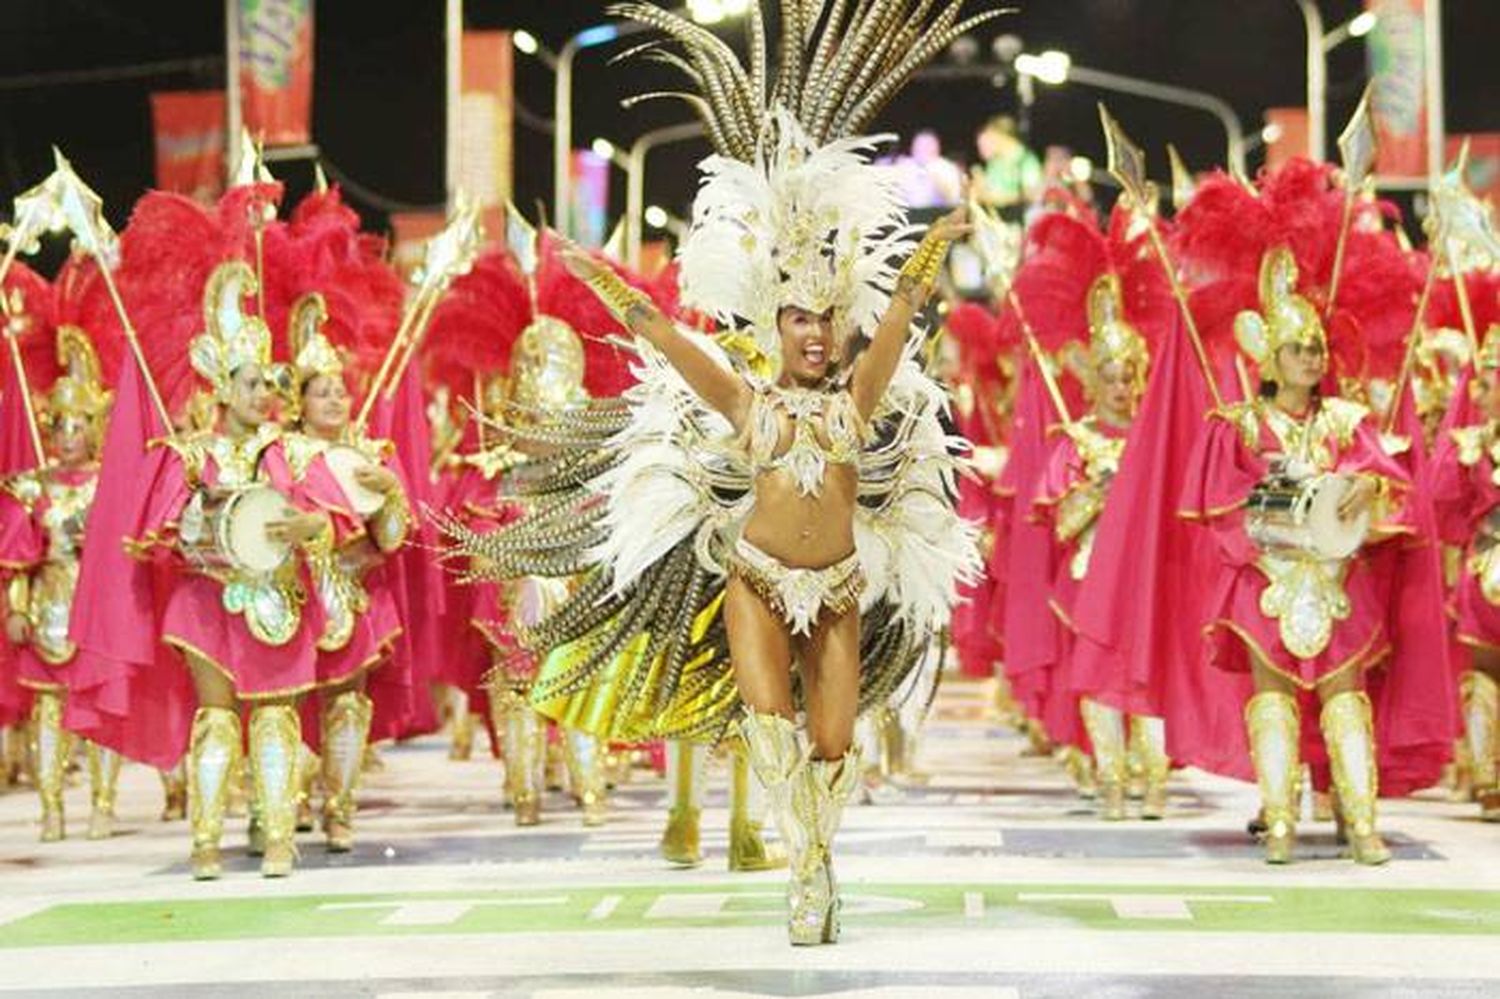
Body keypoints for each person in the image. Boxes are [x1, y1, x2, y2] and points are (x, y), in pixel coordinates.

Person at [440, 0, 991, 946]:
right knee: (771, 728)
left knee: (832, 742)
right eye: (798, 322)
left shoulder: (857, 401)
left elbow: (899, 319)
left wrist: (934, 251)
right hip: (757, 580)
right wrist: (608, 288)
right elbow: (672, 343)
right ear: (776, 325)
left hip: (842, 584)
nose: (815, 334)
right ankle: (805, 873)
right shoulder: (750, 403)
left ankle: (818, 853)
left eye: (826, 320)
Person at [1180, 247, 1412, 865]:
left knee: (1344, 697)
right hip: (1269, 578)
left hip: (1337, 579)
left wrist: (1368, 484)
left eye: (1317, 348)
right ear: (1270, 358)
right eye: (1298, 348)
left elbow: (1381, 472)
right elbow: (1217, 501)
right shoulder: (1242, 424)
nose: (1312, 358)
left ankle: (1363, 822)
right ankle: (1279, 821)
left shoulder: (1344, 419)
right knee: (1274, 700)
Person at [0, 324, 113, 841]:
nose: (68, 436)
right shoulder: (32, 488)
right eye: (59, 426)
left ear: (93, 428)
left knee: (100, 709)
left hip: (98, 611)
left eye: (77, 425)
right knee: (48, 711)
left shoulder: (110, 483)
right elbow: (18, 556)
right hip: (49, 607)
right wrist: (15, 607)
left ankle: (103, 804)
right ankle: (51, 809)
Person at [1428, 322, 1500, 822]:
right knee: (1482, 674)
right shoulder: (1469, 442)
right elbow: (1443, 500)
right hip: (1485, 566)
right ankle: (1489, 777)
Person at [973, 115, 1042, 217]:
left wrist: (999, 199)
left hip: (1019, 223)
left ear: (1002, 136)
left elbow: (1032, 195)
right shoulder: (995, 163)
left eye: (989, 138)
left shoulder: (1026, 161)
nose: (984, 145)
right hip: (996, 223)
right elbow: (988, 191)